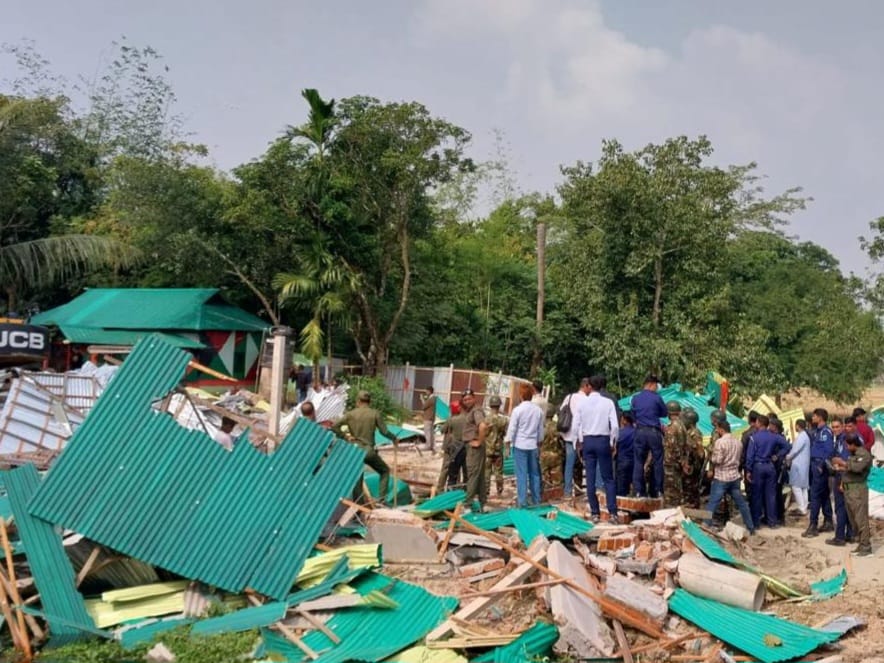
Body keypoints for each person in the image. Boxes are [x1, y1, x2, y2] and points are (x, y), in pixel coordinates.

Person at [332, 390, 397, 504]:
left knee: (358, 477)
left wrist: (346, 437)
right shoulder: (374, 413)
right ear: (369, 401)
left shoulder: (350, 414)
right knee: (384, 471)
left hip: (355, 451)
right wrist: (394, 438)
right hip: (369, 451)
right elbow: (384, 431)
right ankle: (381, 500)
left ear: (358, 401)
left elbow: (334, 426)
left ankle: (359, 505)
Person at [573, 375, 619, 523]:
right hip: (603, 440)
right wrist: (613, 442)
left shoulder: (582, 403)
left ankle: (595, 513)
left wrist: (578, 442)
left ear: (589, 386)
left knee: (590, 478)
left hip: (588, 441)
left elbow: (576, 425)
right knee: (608, 478)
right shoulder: (608, 403)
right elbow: (616, 426)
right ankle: (613, 513)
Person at [705, 420, 755, 534]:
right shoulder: (738, 442)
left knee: (713, 502)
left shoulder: (720, 442)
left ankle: (706, 524)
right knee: (741, 503)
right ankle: (750, 527)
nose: (717, 431)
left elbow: (717, 460)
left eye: (717, 429)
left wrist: (711, 457)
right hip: (734, 477)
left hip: (721, 477)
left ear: (721, 429)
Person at [832, 433, 873, 557]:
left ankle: (866, 546)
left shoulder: (864, 455)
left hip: (858, 491)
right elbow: (850, 470)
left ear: (854, 444)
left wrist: (842, 463)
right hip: (849, 490)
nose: (846, 448)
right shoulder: (853, 455)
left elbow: (856, 468)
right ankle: (861, 543)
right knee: (853, 519)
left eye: (848, 446)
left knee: (861, 519)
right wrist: (840, 470)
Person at [746, 414, 789, 528]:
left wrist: (748, 470)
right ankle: (772, 522)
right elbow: (787, 446)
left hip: (758, 467)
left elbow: (750, 456)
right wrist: (778, 455)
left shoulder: (754, 437)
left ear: (759, 423)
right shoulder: (774, 436)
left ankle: (756, 523)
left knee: (757, 495)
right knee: (771, 495)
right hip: (770, 466)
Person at [505, 383, 545, 508]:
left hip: (520, 445)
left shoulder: (517, 410)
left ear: (521, 395)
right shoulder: (537, 410)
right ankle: (536, 500)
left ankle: (522, 501)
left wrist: (507, 442)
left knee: (521, 474)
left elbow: (512, 429)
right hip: (533, 445)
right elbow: (540, 430)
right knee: (534, 474)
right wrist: (539, 442)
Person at [631, 375, 668, 498]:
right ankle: (658, 491)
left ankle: (638, 491)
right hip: (653, 432)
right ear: (652, 384)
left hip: (640, 432)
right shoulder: (657, 398)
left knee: (638, 461)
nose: (657, 388)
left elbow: (633, 415)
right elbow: (664, 412)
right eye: (656, 386)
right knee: (658, 461)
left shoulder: (635, 398)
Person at [803, 408, 835, 538]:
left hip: (819, 466)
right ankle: (828, 521)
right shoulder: (817, 431)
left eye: (814, 416)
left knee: (815, 496)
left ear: (820, 417)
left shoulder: (825, 432)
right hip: (815, 464)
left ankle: (813, 525)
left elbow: (829, 450)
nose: (812, 418)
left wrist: (821, 465)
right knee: (823, 495)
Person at [827, 417, 855, 546]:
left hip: (843, 477)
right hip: (845, 476)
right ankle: (850, 534)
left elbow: (844, 462)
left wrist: (838, 463)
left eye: (837, 427)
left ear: (842, 427)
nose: (835, 429)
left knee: (840, 508)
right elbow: (833, 457)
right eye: (833, 427)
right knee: (847, 507)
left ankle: (840, 537)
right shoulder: (838, 440)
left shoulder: (844, 441)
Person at [560, 379, 589, 499]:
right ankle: (579, 489)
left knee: (569, 463)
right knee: (583, 464)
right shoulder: (586, 400)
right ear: (586, 386)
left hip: (568, 435)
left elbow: (561, 410)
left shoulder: (569, 397)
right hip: (581, 437)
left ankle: (567, 491)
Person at [461, 389, 488, 511]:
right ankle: (483, 503)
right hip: (474, 447)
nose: (467, 401)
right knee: (479, 475)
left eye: (469, 398)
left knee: (472, 474)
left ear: (474, 398)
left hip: (474, 448)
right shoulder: (472, 411)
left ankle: (468, 504)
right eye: (465, 399)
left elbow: (482, 425)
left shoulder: (476, 411)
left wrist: (479, 441)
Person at [662, 401, 688, 508]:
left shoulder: (672, 427)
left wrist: (678, 459)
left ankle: (671, 512)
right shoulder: (682, 425)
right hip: (678, 462)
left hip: (671, 463)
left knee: (670, 492)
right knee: (678, 488)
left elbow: (673, 446)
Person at [484, 395, 509, 499]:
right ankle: (499, 490)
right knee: (499, 471)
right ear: (499, 406)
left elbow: (483, 433)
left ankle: (486, 490)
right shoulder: (503, 420)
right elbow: (505, 433)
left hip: (487, 449)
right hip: (498, 449)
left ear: (490, 405)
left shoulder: (486, 419)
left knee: (486, 471)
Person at [437, 400, 465, 492]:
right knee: (457, 469)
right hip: (461, 448)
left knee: (445, 469)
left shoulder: (451, 420)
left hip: (449, 447)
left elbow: (442, 430)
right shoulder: (465, 419)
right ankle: (455, 489)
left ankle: (440, 489)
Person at [786, 419, 810, 516]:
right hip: (803, 464)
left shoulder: (801, 437)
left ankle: (801, 507)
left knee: (796, 486)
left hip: (798, 464)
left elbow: (795, 450)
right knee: (803, 487)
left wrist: (788, 457)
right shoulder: (805, 436)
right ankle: (804, 506)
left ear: (797, 426)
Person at [681, 407, 705, 508]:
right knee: (688, 488)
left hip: (693, 465)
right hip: (689, 464)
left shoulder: (695, 433)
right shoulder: (688, 432)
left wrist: (693, 465)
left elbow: (699, 452)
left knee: (691, 489)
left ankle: (693, 508)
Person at [540, 405, 564, 491]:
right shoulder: (558, 426)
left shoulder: (541, 427)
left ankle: (546, 496)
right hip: (556, 455)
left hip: (544, 456)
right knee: (557, 481)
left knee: (545, 480)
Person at [616, 412, 636, 496]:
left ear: (624, 420)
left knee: (621, 486)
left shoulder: (620, 433)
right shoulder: (636, 432)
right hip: (634, 462)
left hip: (622, 461)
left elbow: (614, 446)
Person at [420, 387, 438, 452]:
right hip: (431, 417)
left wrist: (422, 399)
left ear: (429, 391)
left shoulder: (431, 399)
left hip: (428, 417)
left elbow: (424, 406)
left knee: (427, 432)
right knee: (430, 432)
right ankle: (432, 445)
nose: (426, 393)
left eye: (426, 391)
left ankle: (428, 446)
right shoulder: (433, 399)